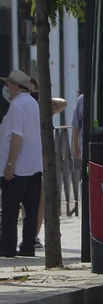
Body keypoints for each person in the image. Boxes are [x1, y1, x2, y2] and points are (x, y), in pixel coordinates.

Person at [0, 70, 44, 258]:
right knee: (31, 211)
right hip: (34, 166)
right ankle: (28, 246)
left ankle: (7, 248)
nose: (7, 87)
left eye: (9, 84)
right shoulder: (32, 103)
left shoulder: (17, 106)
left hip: (18, 168)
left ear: (17, 86)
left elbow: (17, 136)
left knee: (10, 210)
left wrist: (10, 163)